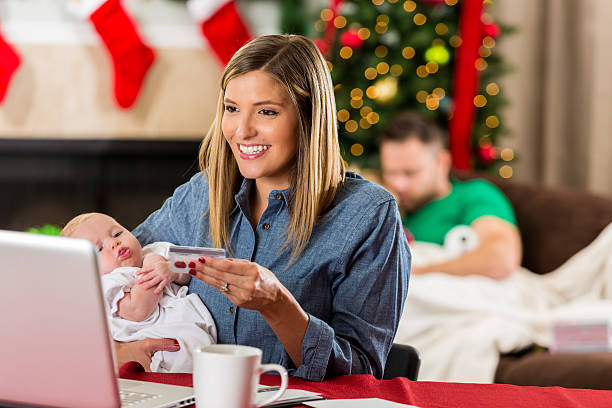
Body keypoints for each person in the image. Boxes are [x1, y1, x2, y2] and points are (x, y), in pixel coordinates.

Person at [118, 34, 410, 381]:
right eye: (231, 108)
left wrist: (277, 306)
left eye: (267, 111)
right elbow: (111, 272)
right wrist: (118, 348)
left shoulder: (368, 215)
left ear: (308, 118)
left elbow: (361, 372)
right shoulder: (202, 193)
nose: (242, 130)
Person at [62, 212, 216, 372]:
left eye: (117, 233)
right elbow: (138, 309)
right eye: (100, 249)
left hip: (196, 336)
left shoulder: (154, 250)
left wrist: (174, 271)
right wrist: (153, 265)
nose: (114, 243)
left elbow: (201, 262)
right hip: (158, 351)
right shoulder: (106, 283)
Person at [379, 110, 521, 280]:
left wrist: (414, 274)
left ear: (442, 163)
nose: (398, 184)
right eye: (391, 173)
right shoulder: (388, 209)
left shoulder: (473, 195)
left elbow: (500, 258)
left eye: (410, 173)